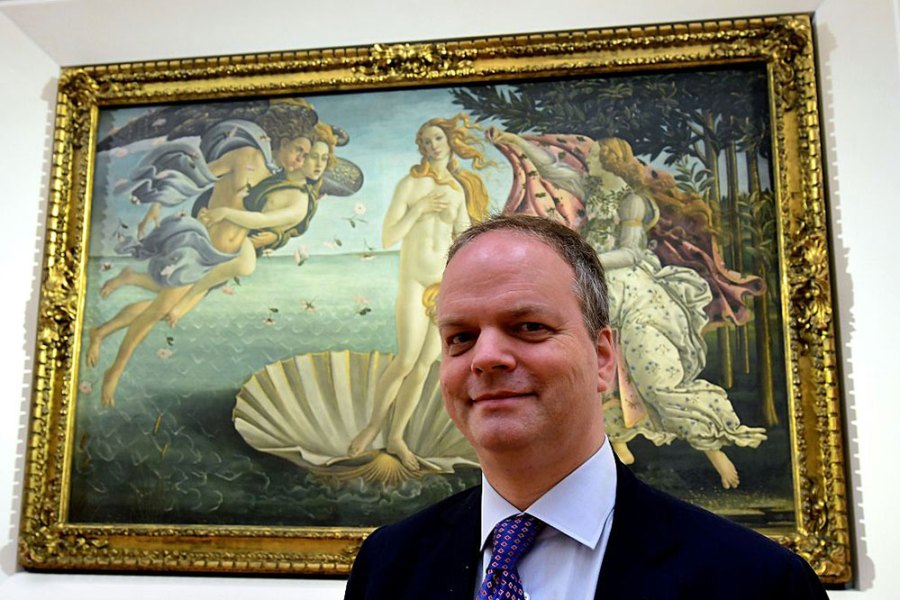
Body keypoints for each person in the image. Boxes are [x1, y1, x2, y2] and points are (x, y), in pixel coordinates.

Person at [344, 214, 827, 599]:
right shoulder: (387, 566)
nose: (486, 357)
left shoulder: (758, 583)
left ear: (602, 358)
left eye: (528, 326)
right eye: (461, 337)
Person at [488, 128, 766, 489]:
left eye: (597, 157)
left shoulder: (631, 199)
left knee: (651, 373)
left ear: (611, 161)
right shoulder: (594, 188)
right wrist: (515, 141)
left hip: (629, 287)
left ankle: (717, 452)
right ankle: (615, 445)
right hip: (596, 286)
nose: (590, 160)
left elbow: (632, 252)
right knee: (591, 370)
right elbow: (552, 169)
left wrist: (582, 260)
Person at [89, 119, 339, 407]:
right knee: (160, 309)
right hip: (198, 245)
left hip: (219, 258)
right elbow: (193, 178)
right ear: (281, 141)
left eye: (306, 157)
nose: (300, 160)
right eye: (298, 151)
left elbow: (265, 224)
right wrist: (157, 204)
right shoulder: (246, 157)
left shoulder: (275, 183)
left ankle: (104, 326)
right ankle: (115, 370)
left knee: (162, 303)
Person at [346, 114, 490, 470]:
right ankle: (374, 427)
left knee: (426, 365)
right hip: (413, 282)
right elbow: (388, 236)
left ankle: (396, 437)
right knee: (406, 359)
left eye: (437, 139)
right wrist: (421, 209)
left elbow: (462, 239)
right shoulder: (409, 186)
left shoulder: (457, 190)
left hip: (443, 286)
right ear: (420, 147)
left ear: (448, 142)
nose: (431, 146)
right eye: (425, 141)